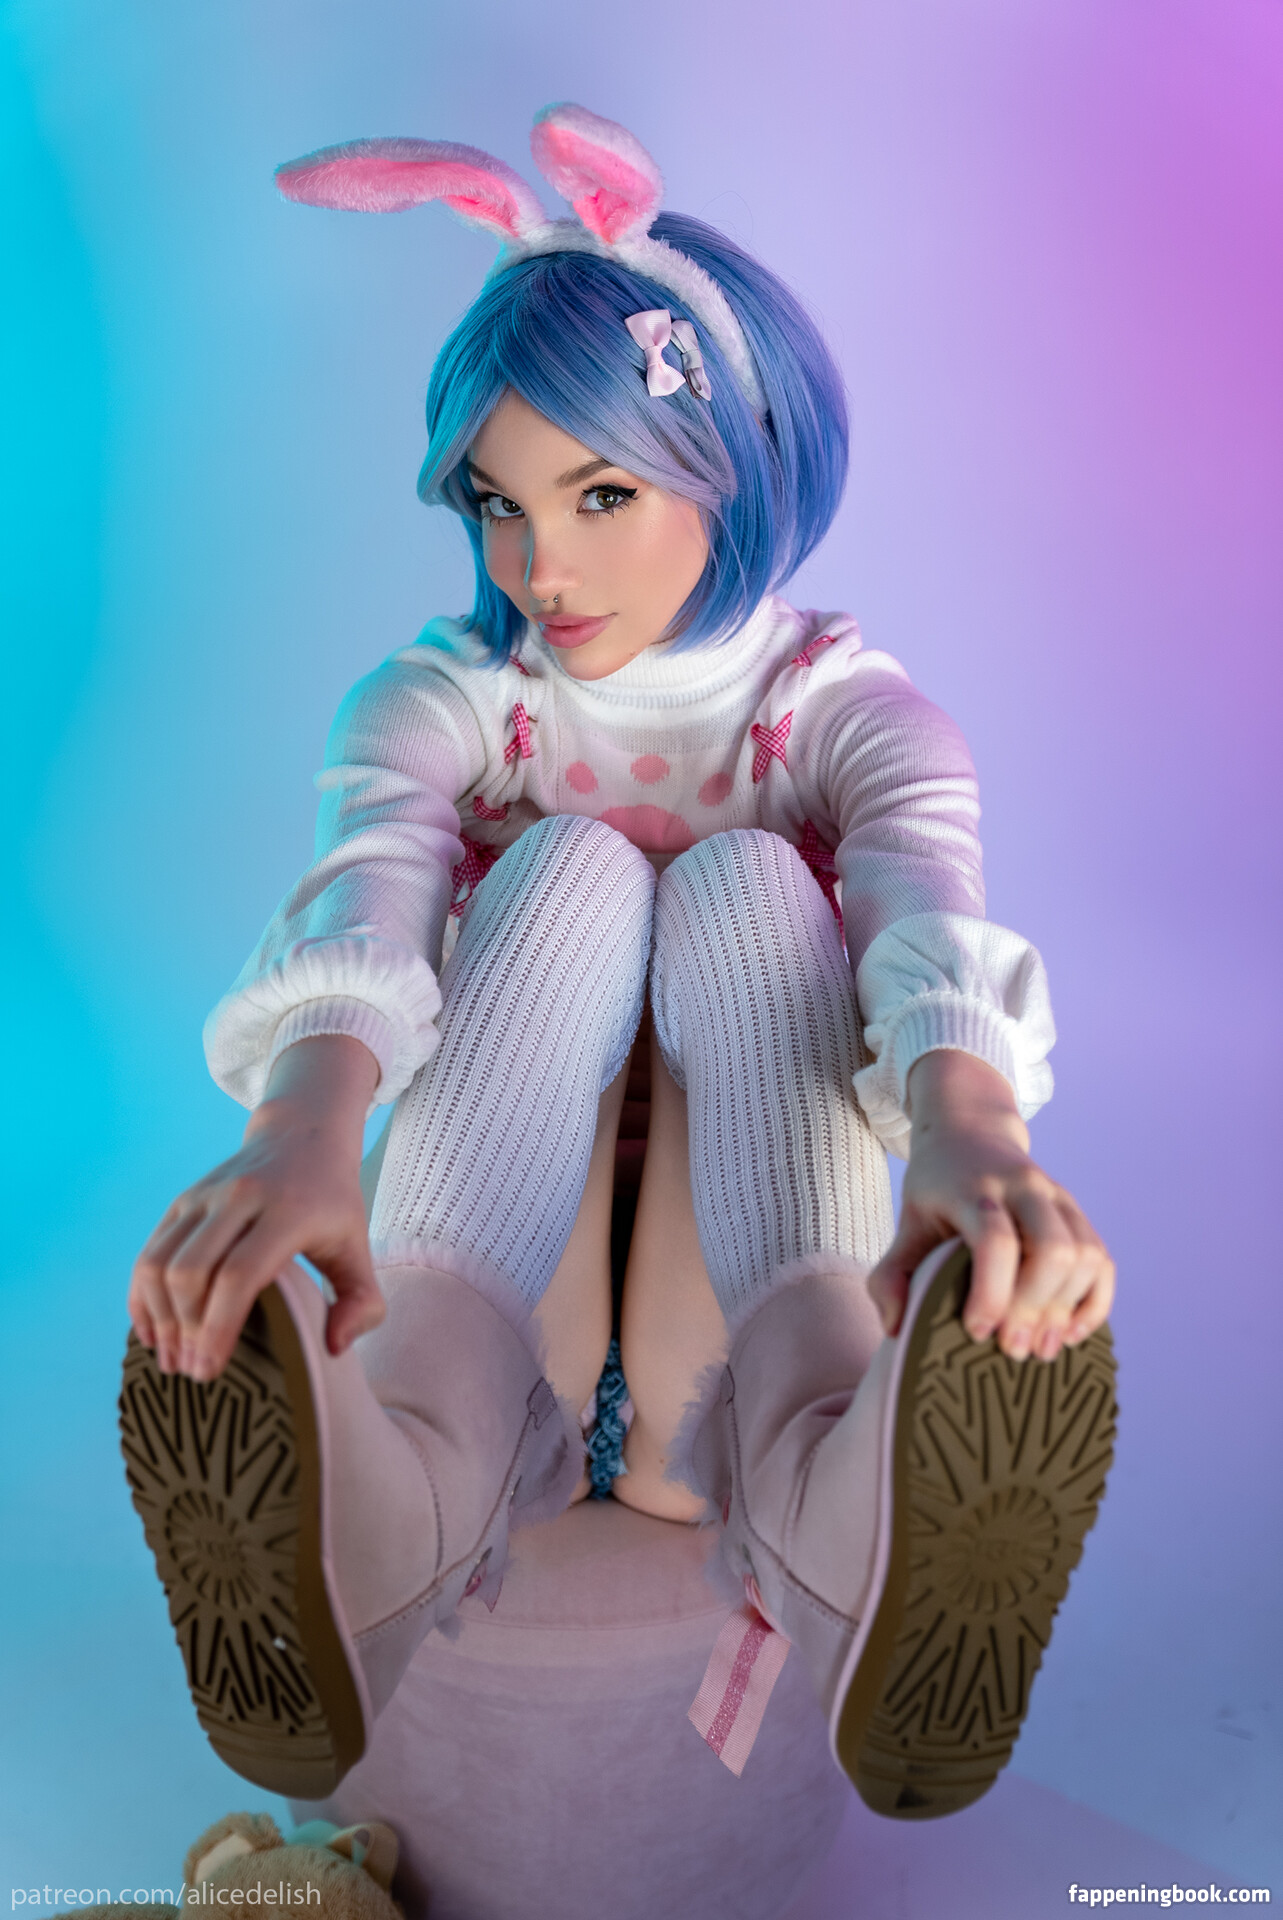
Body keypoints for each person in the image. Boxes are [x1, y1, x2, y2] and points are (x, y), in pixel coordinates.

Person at [119, 102, 1117, 1909]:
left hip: (721, 1325)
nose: (539, 570)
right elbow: (377, 874)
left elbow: (919, 885)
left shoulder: (847, 711)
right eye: (498, 506)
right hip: (507, 1265)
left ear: (737, 468)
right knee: (569, 874)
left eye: (599, 497)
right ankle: (395, 1509)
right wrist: (305, 1123)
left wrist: (969, 1127)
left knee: (746, 890)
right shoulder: (443, 698)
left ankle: (832, 1499)